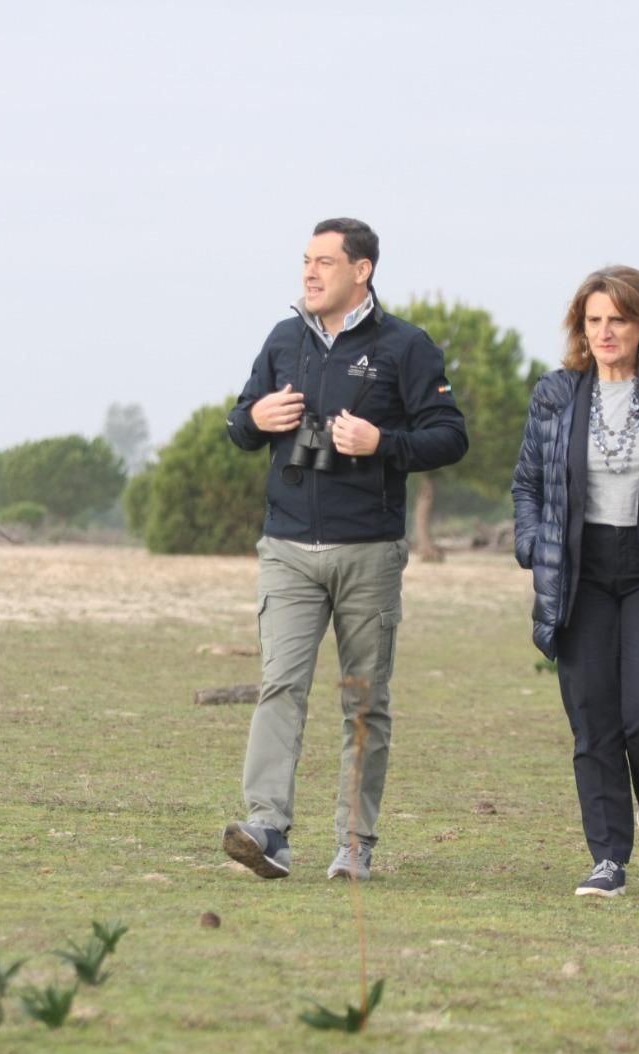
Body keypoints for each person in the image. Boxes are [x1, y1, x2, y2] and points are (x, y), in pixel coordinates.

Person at [221, 218, 468, 882]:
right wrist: (254, 420)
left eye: (325, 261)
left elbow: (450, 436)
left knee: (363, 699)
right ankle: (267, 830)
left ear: (362, 270)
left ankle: (354, 846)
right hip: (288, 548)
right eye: (306, 260)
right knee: (280, 685)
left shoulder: (406, 346)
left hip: (369, 551)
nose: (310, 272)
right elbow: (240, 425)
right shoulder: (282, 340)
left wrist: (381, 443)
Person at [510, 265, 639, 898]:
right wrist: (532, 545)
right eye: (594, 320)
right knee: (594, 720)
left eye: (618, 320)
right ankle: (608, 856)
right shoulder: (555, 394)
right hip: (579, 570)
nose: (605, 332)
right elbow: (528, 485)